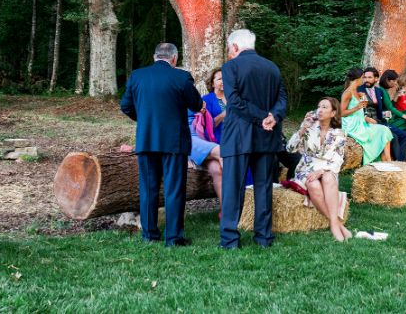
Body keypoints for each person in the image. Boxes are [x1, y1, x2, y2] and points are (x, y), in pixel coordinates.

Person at [120, 42, 203, 247]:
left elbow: (126, 106)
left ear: (155, 56)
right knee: (174, 189)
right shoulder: (181, 77)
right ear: (174, 59)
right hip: (174, 143)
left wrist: (145, 120)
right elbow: (196, 104)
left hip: (147, 140)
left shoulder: (137, 76)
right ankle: (173, 238)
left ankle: (149, 234)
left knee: (148, 188)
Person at [219, 29, 288, 249]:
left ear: (236, 47)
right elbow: (282, 99)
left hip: (239, 136)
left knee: (233, 188)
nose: (229, 53)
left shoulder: (231, 66)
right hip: (268, 136)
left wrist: (261, 118)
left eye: (229, 49)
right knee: (264, 186)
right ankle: (263, 237)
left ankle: (230, 239)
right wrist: (273, 117)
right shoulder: (272, 67)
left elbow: (235, 102)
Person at [286, 97, 350, 242]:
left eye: (324, 107)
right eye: (319, 106)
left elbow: (338, 159)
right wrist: (303, 129)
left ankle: (334, 225)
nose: (319, 110)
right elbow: (290, 148)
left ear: (333, 113)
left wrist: (322, 171)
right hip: (306, 168)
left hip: (327, 168)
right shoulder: (309, 127)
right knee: (312, 183)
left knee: (327, 177)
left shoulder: (339, 134)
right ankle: (337, 224)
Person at [340, 68, 393, 164]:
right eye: (363, 77)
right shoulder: (347, 93)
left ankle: (387, 160)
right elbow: (341, 113)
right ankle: (385, 161)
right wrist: (357, 107)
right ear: (357, 79)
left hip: (361, 122)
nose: (364, 80)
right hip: (353, 126)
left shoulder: (356, 91)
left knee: (385, 130)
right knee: (382, 131)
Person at [357, 67, 406, 161]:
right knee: (394, 136)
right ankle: (396, 162)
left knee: (404, 135)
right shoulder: (359, 90)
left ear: (376, 79)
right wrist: (366, 118)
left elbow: (386, 109)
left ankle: (401, 162)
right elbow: (357, 109)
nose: (366, 80)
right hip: (367, 122)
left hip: (380, 121)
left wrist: (387, 116)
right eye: (365, 77)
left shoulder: (379, 91)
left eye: (369, 77)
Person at [187, 107, 224, 212]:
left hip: (201, 137)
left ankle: (226, 212)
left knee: (217, 170)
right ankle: (236, 205)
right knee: (223, 153)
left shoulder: (193, 95)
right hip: (187, 137)